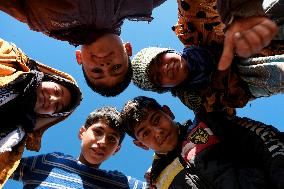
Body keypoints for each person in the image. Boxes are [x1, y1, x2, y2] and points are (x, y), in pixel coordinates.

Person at [0, 0, 167, 96]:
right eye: (116, 67)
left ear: (79, 58)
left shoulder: (43, 24)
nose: (105, 66)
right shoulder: (141, 4)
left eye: (97, 72)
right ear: (128, 49)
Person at [121, 96, 284, 189]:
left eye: (156, 120)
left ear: (167, 112)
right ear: (141, 144)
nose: (157, 132)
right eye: (145, 133)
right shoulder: (156, 182)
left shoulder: (206, 121)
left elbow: (263, 140)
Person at [0, 38, 82, 187]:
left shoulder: (13, 149)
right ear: (50, 78)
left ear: (47, 116)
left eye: (57, 107)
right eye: (57, 91)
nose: (52, 99)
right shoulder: (9, 57)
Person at [8, 107, 147, 189]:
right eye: (98, 132)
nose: (103, 142)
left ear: (116, 149)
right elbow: (4, 163)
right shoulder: (50, 161)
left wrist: (158, 165)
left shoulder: (120, 182)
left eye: (112, 139)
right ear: (82, 132)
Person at [131, 46, 284, 116]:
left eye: (159, 61)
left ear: (168, 51)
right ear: (164, 87)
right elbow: (219, 118)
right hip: (250, 80)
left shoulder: (199, 36)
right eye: (158, 77)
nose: (165, 69)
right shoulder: (193, 98)